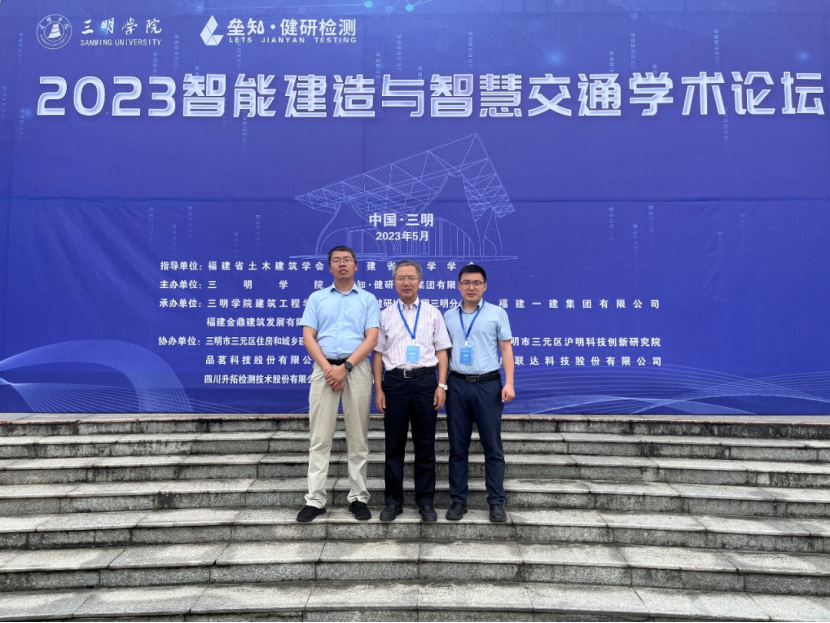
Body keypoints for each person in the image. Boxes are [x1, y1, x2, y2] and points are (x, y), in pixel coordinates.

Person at [296, 246, 379, 522]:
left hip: (355, 369)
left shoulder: (368, 299)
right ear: (329, 267)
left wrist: (345, 368)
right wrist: (329, 369)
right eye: (336, 260)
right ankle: (315, 500)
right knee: (320, 438)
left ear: (356, 266)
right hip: (324, 369)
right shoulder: (317, 298)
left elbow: (371, 339)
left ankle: (358, 497)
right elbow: (308, 337)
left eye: (347, 260)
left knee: (358, 437)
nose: (342, 264)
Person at [373, 260, 451, 523]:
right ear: (394, 282)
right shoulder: (385, 315)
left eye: (411, 277)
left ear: (420, 281)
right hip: (395, 383)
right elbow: (378, 354)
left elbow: (442, 351)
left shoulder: (432, 313)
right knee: (393, 447)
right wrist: (378, 388)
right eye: (400, 278)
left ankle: (426, 502)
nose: (406, 283)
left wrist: (441, 385)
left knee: (425, 445)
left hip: (425, 382)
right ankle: (393, 503)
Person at [442, 264, 515, 523]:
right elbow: (443, 353)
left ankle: (496, 502)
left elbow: (506, 350)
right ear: (458, 286)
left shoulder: (497, 313)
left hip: (488, 385)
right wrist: (442, 385)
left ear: (485, 286)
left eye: (476, 283)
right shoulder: (448, 316)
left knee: (492, 446)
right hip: (457, 385)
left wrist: (509, 383)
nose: (471, 287)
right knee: (457, 447)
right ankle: (458, 501)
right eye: (466, 282)